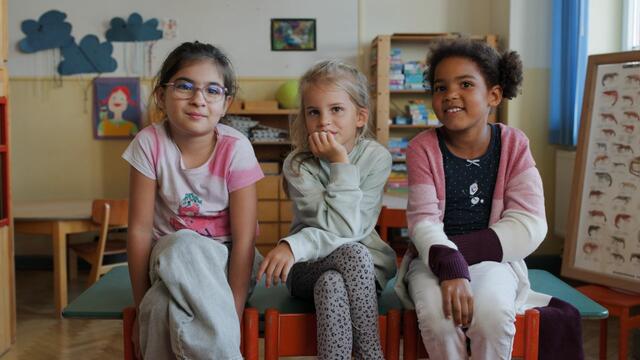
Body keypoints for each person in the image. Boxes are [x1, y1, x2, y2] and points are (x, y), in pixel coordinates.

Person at [394, 39, 582, 359]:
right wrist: (446, 264)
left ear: (493, 95)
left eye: (465, 84)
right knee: (439, 320)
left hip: (493, 262)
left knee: (493, 314)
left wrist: (456, 258)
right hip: (431, 261)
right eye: (440, 87)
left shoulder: (514, 144)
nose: (450, 94)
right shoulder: (422, 148)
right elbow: (422, 222)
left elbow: (530, 223)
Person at [123, 41, 263, 360]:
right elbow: (140, 232)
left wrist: (233, 315)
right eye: (185, 86)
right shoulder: (149, 143)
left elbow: (244, 241)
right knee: (183, 246)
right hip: (170, 260)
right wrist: (141, 308)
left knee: (161, 306)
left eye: (212, 90)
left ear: (225, 103)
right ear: (161, 95)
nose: (199, 99)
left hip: (229, 263)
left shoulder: (236, 148)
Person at [258, 60, 397, 359]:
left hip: (364, 271)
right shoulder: (298, 164)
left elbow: (352, 230)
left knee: (333, 283)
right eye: (313, 112)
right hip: (308, 266)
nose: (323, 121)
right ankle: (371, 355)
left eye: (336, 109)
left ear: (360, 116)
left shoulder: (377, 158)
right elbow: (339, 230)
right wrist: (338, 163)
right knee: (352, 253)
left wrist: (339, 164)